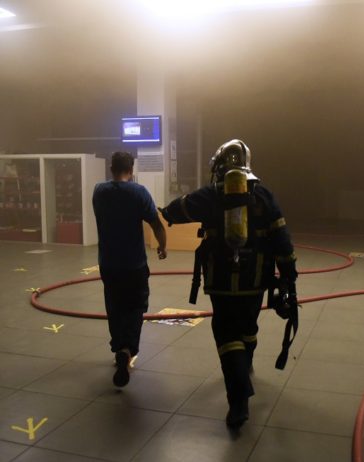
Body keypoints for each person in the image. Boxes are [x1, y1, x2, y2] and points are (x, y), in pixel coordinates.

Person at [159, 139, 298, 428]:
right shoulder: (264, 196)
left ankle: (239, 401)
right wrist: (288, 277)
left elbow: (178, 209)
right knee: (248, 327)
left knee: (225, 334)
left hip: (220, 281)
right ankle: (245, 364)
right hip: (255, 280)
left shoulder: (210, 195)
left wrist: (164, 213)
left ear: (220, 165)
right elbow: (282, 241)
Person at [92, 151, 167, 388]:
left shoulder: (99, 192)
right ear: (131, 169)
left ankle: (118, 347)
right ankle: (127, 349)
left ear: (111, 168)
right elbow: (156, 224)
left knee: (114, 307)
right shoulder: (139, 192)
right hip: (134, 265)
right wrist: (162, 246)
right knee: (135, 307)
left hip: (108, 264)